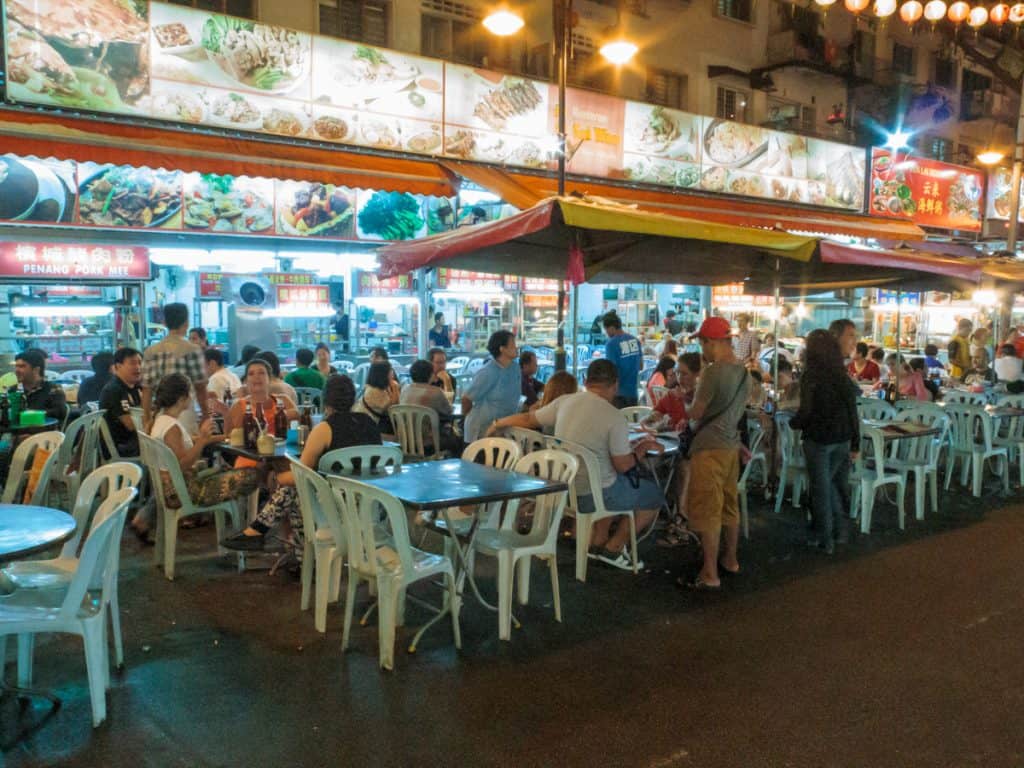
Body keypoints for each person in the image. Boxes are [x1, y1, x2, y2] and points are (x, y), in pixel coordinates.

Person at [487, 359, 662, 571]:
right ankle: (615, 548)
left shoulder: (565, 402)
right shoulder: (614, 417)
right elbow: (624, 466)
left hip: (565, 490)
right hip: (593, 495)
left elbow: (528, 418)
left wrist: (497, 423)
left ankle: (598, 545)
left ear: (586, 381)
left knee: (612, 482)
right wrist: (642, 449)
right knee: (653, 495)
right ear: (615, 384)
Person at [223, 375, 381, 552]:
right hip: (372, 505)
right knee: (296, 490)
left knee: (294, 490)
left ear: (326, 399)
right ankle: (262, 534)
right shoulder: (370, 423)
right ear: (353, 398)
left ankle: (297, 557)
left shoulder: (325, 429)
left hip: (335, 509)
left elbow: (300, 474)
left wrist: (277, 476)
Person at [682, 316, 752, 590]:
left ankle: (709, 572)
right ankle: (730, 559)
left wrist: (684, 403)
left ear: (712, 342)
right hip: (731, 446)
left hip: (709, 448)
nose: (702, 348)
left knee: (708, 509)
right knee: (729, 505)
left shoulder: (712, 372)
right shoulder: (744, 373)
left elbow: (697, 413)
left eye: (703, 342)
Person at [791, 330, 859, 555]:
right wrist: (856, 442)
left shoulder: (811, 375)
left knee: (821, 490)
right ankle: (840, 532)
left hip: (819, 439)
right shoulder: (841, 373)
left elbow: (806, 411)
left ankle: (825, 539)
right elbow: (852, 409)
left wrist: (794, 422)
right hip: (843, 438)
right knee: (830, 488)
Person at [149, 373, 259, 510]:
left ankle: (237, 518)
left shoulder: (161, 420)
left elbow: (188, 442)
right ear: (182, 399)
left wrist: (222, 437)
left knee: (226, 469)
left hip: (172, 488)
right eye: (190, 393)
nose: (192, 397)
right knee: (252, 475)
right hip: (184, 492)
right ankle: (245, 522)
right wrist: (202, 441)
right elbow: (182, 464)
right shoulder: (172, 428)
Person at [141, 302, 208, 431]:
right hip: (185, 413)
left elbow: (147, 390)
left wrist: (147, 419)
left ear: (164, 322)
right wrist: (206, 415)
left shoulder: (150, 351)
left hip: (159, 415)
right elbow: (201, 388)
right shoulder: (192, 350)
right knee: (187, 448)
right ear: (186, 322)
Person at [462, 330, 521, 443]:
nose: (516, 347)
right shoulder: (488, 372)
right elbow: (466, 399)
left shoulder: (515, 368)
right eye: (513, 345)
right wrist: (467, 416)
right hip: (481, 431)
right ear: (502, 349)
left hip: (504, 429)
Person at [401, 359, 460, 454]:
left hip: (406, 440)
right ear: (429, 374)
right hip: (429, 442)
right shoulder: (435, 392)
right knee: (457, 439)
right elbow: (448, 412)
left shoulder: (405, 389)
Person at [99, 347, 143, 458]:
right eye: (132, 363)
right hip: (121, 446)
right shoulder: (114, 390)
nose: (138, 367)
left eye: (140, 363)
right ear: (118, 366)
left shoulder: (136, 387)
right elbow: (131, 425)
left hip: (135, 440)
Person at [13, 349, 67, 422]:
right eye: (16, 366)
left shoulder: (52, 389)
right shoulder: (13, 390)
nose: (17, 370)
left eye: (22, 366)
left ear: (36, 370)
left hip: (45, 431)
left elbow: (61, 412)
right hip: (16, 432)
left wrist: (31, 414)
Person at [602, 311, 642, 408]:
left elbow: (611, 371)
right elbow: (641, 366)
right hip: (633, 393)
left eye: (606, 330)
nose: (606, 333)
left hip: (618, 394)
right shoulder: (635, 341)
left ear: (611, 328)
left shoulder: (611, 344)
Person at [354, 362, 398, 436]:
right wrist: (395, 388)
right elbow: (393, 409)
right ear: (382, 374)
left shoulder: (375, 387)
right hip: (365, 428)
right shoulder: (376, 392)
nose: (392, 372)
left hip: (363, 423)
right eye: (390, 370)